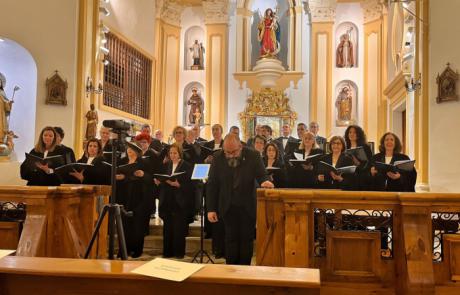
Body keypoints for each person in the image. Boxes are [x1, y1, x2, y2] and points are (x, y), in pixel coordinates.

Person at [206, 134, 274, 265]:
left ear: (240, 146)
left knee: (246, 239)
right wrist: (211, 209)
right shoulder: (218, 157)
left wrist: (265, 181)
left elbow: (262, 174)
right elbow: (212, 184)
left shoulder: (253, 155)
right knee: (230, 238)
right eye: (227, 152)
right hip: (227, 205)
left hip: (247, 205)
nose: (230, 155)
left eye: (234, 152)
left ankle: (244, 272)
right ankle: (231, 272)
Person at [155, 143, 193, 258]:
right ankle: (167, 252)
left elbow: (192, 185)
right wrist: (159, 182)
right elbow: (162, 177)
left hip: (180, 201)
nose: (172, 155)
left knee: (179, 229)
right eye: (171, 153)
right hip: (167, 200)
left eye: (175, 153)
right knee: (167, 228)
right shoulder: (166, 165)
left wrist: (179, 185)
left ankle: (178, 253)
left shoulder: (186, 166)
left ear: (179, 153)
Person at [116, 141, 153, 258]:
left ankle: (137, 250)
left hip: (139, 197)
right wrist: (120, 177)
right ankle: (124, 249)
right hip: (125, 196)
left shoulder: (144, 162)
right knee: (125, 224)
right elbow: (118, 175)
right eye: (128, 149)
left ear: (137, 150)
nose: (129, 151)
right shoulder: (122, 162)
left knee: (137, 225)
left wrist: (143, 175)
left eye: (132, 149)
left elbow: (151, 179)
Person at [344, 125, 373, 190]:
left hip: (362, 178)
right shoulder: (345, 148)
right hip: (348, 178)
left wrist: (358, 163)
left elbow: (370, 163)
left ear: (359, 134)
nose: (352, 134)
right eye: (350, 132)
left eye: (354, 132)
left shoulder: (365, 147)